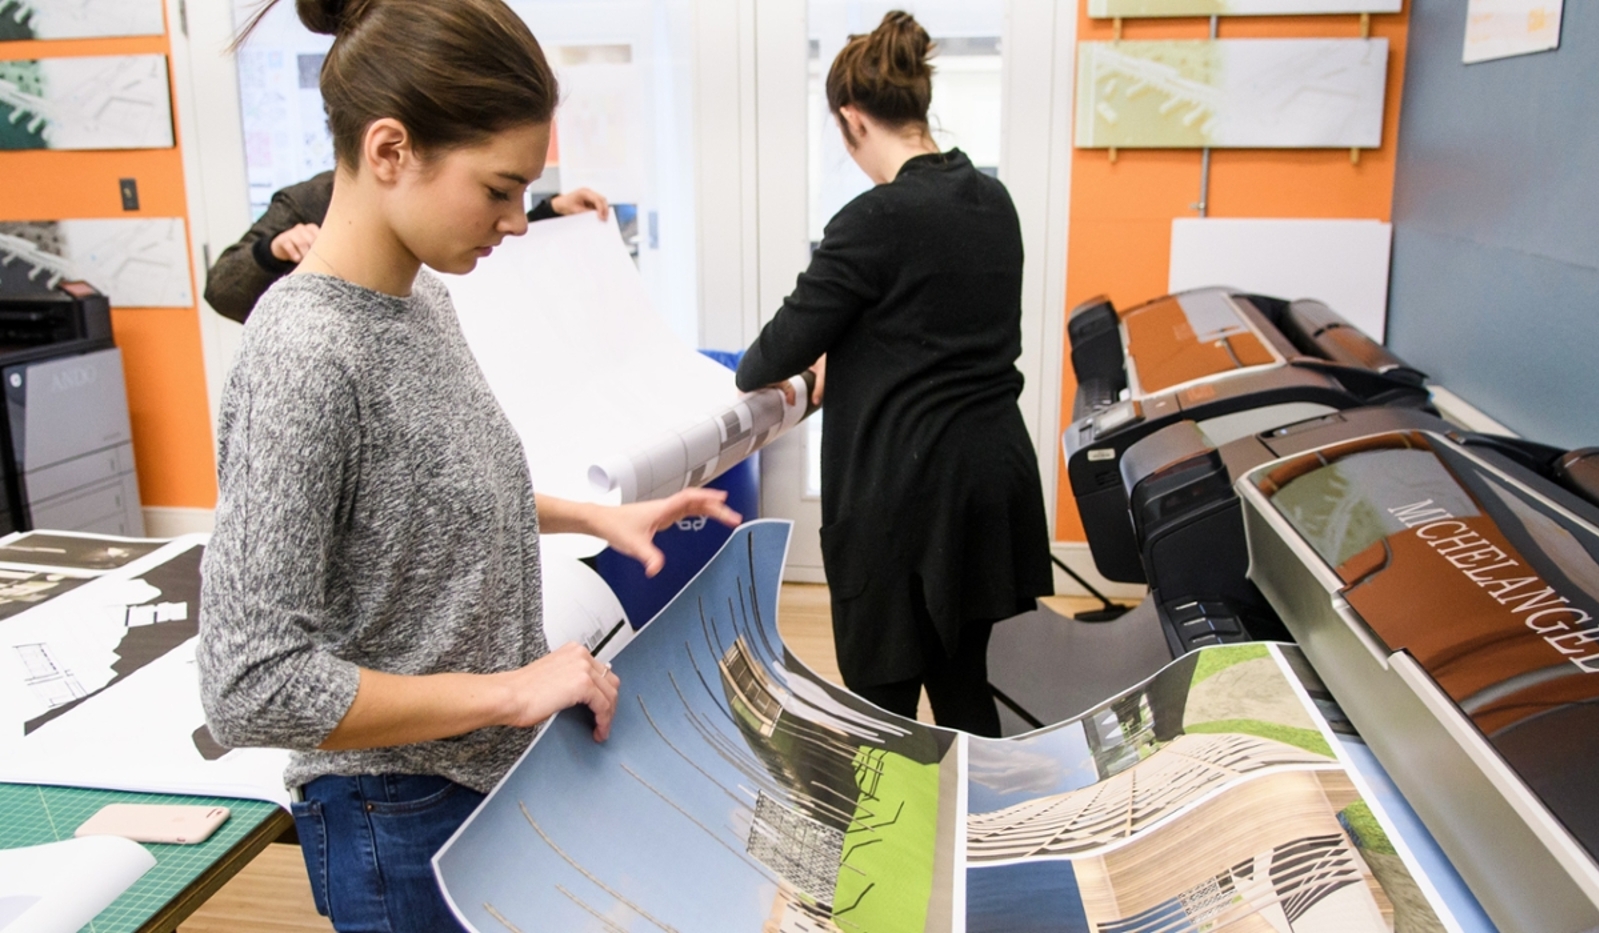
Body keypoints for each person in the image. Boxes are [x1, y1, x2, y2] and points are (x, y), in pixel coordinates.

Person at [195, 2, 739, 931]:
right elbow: (251, 683)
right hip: (396, 815)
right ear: (391, 150)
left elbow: (414, 497)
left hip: (476, 781)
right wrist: (517, 689)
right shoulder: (306, 356)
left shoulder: (423, 303)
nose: (518, 222)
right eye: (499, 189)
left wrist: (592, 516)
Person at [734, 11, 1052, 738]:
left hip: (903, 497)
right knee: (966, 686)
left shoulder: (871, 220)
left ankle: (895, 846)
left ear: (851, 118)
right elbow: (928, 328)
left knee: (882, 714)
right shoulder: (992, 200)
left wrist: (826, 357)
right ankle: (986, 836)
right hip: (988, 484)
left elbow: (764, 360)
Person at [203, 169, 610, 323]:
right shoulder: (308, 201)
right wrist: (273, 250)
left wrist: (550, 214)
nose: (514, 223)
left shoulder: (434, 307)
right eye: (498, 191)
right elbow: (223, 287)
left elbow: (463, 235)